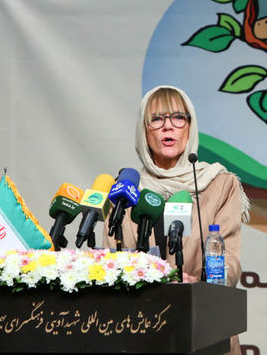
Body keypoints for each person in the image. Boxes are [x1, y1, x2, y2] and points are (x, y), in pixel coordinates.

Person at [103, 85, 250, 285]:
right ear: (143, 131)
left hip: (196, 300)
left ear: (190, 127)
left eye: (178, 117)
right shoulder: (125, 189)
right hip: (136, 302)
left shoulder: (219, 184)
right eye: (156, 119)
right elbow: (110, 260)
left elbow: (229, 261)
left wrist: (196, 283)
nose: (168, 126)